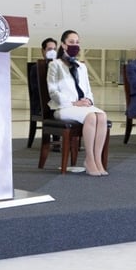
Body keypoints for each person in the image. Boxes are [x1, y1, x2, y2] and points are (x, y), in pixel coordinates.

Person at [47, 30, 109, 176]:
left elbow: (88, 89)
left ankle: (97, 159)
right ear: (63, 44)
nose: (75, 45)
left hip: (82, 106)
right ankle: (89, 159)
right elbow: (53, 91)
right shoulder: (55, 65)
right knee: (92, 117)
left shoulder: (82, 67)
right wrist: (74, 103)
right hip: (64, 107)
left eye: (77, 42)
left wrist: (88, 100)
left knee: (102, 116)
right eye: (71, 42)